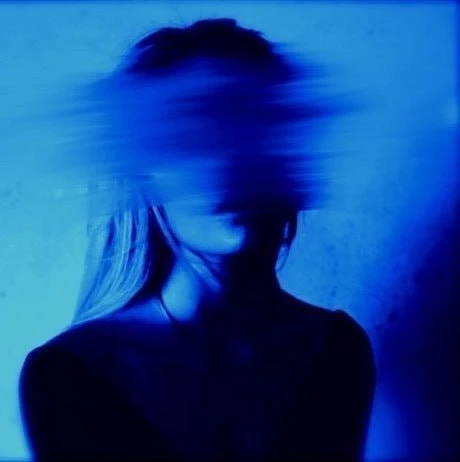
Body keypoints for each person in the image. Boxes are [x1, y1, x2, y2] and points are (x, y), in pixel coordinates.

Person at [19, 18, 376, 462]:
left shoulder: (336, 348)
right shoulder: (69, 373)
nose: (232, 161)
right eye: (195, 134)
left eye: (255, 126)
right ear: (144, 174)